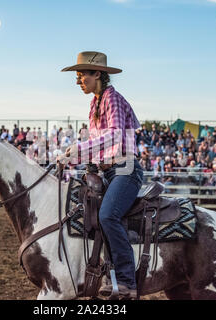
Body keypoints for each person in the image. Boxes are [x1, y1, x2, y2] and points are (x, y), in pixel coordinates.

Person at [59, 51, 143, 299]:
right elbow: (98, 146)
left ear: (97, 74)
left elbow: (116, 135)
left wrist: (80, 149)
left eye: (81, 75)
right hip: (109, 171)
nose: (77, 81)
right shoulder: (94, 103)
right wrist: (71, 157)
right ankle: (103, 271)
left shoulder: (112, 99)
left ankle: (127, 280)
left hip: (125, 169)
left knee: (108, 215)